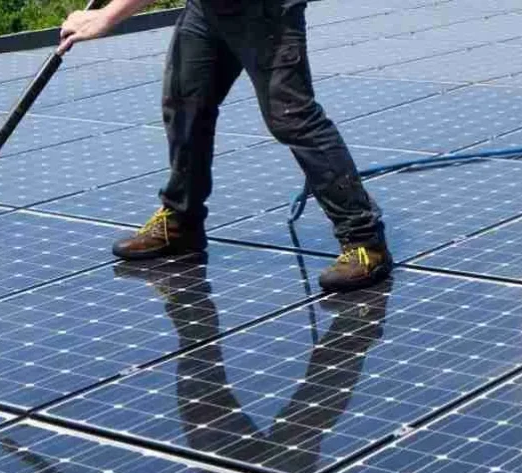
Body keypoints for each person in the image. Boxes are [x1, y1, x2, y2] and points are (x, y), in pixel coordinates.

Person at [59, 0, 393, 292]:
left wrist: (108, 16)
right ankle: (181, 221)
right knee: (183, 102)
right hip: (208, 9)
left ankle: (365, 241)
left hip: (267, 10)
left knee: (291, 117)